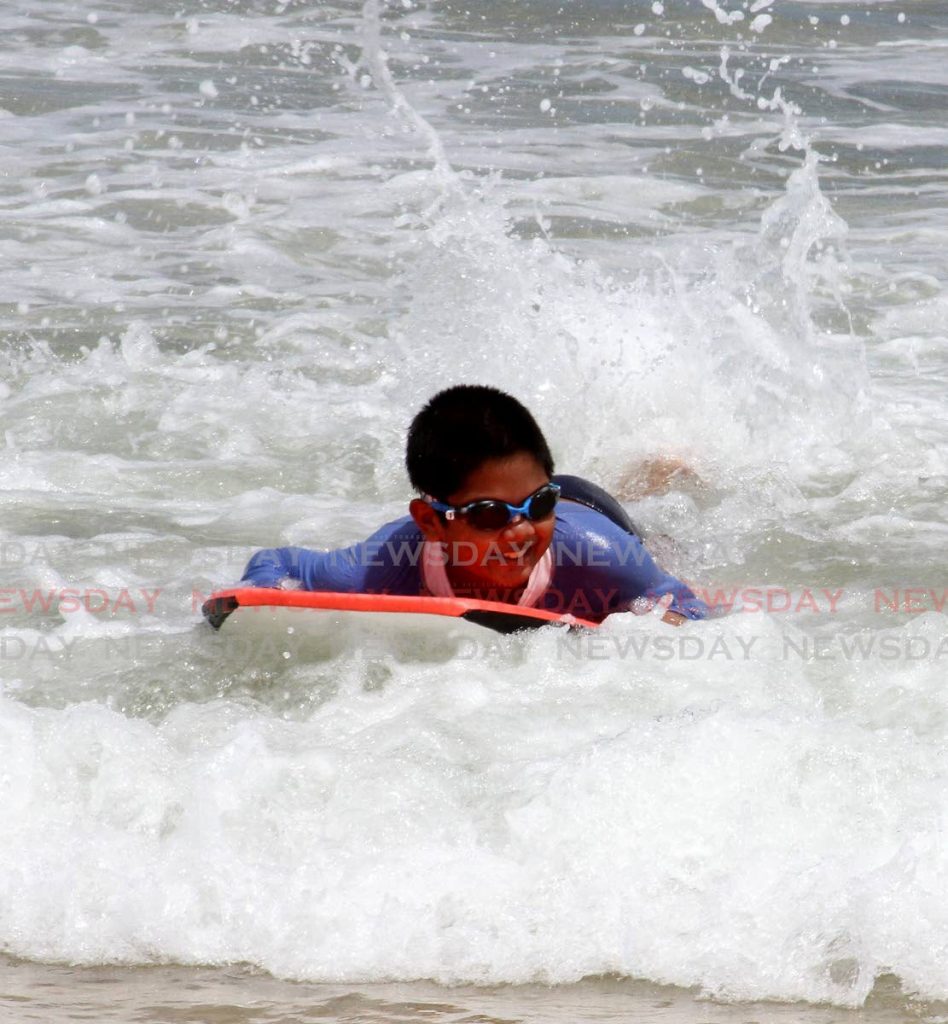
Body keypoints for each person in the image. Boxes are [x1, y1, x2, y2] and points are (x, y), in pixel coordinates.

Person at [241, 385, 707, 624]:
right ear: (431, 522)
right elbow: (276, 563)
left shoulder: (601, 553)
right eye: (489, 516)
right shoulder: (381, 566)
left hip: (590, 512)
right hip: (545, 501)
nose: (521, 530)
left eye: (537, 507)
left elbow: (685, 603)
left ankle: (659, 470)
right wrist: (274, 605)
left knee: (664, 550)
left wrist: (661, 619)